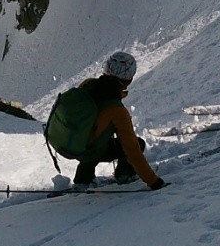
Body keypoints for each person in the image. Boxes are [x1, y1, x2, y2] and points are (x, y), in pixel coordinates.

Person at [49, 51, 166, 189]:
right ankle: (124, 174)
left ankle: (83, 178)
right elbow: (132, 149)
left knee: (92, 135)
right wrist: (153, 182)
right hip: (87, 151)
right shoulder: (117, 111)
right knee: (138, 144)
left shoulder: (88, 84)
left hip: (69, 142)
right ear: (128, 79)